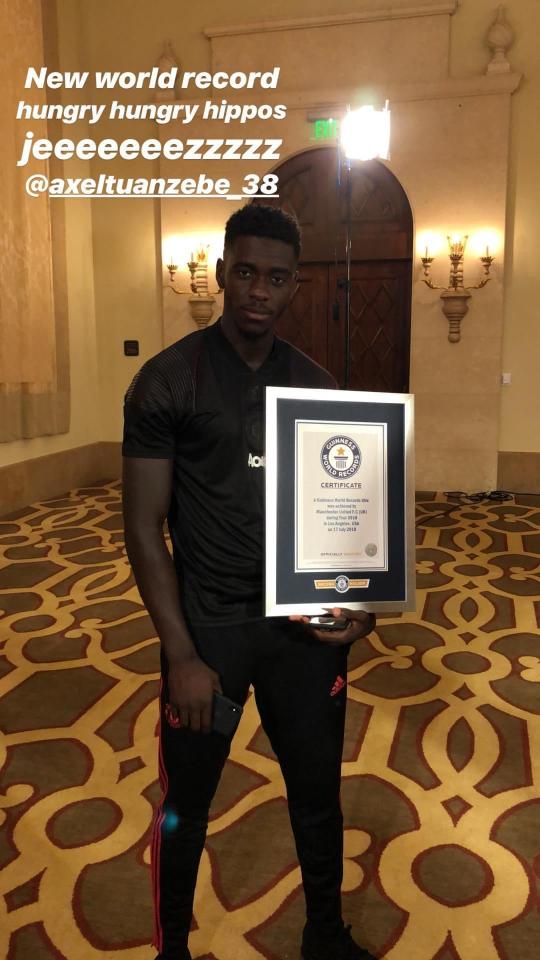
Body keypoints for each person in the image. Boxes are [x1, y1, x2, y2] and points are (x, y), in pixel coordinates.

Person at [122, 204, 377, 960]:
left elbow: (344, 518)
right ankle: (173, 949)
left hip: (302, 634)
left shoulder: (319, 384)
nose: (258, 290)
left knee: (316, 799)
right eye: (245, 272)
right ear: (221, 271)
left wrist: (354, 605)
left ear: (295, 286)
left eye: (275, 277)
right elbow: (143, 527)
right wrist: (181, 655)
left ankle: (325, 936)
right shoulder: (169, 379)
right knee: (186, 807)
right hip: (210, 633)